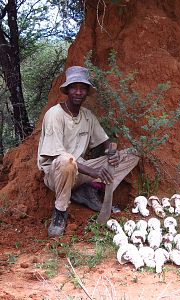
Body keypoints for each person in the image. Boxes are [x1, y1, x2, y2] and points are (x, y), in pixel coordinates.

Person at [37, 66, 139, 237]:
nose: (78, 92)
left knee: (132, 155)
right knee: (66, 161)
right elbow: (56, 155)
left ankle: (89, 190)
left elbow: (105, 141)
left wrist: (111, 153)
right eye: (74, 87)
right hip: (56, 174)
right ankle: (60, 213)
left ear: (86, 92)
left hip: (80, 171)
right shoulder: (54, 114)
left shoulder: (87, 116)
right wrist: (93, 171)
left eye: (82, 88)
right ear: (67, 90)